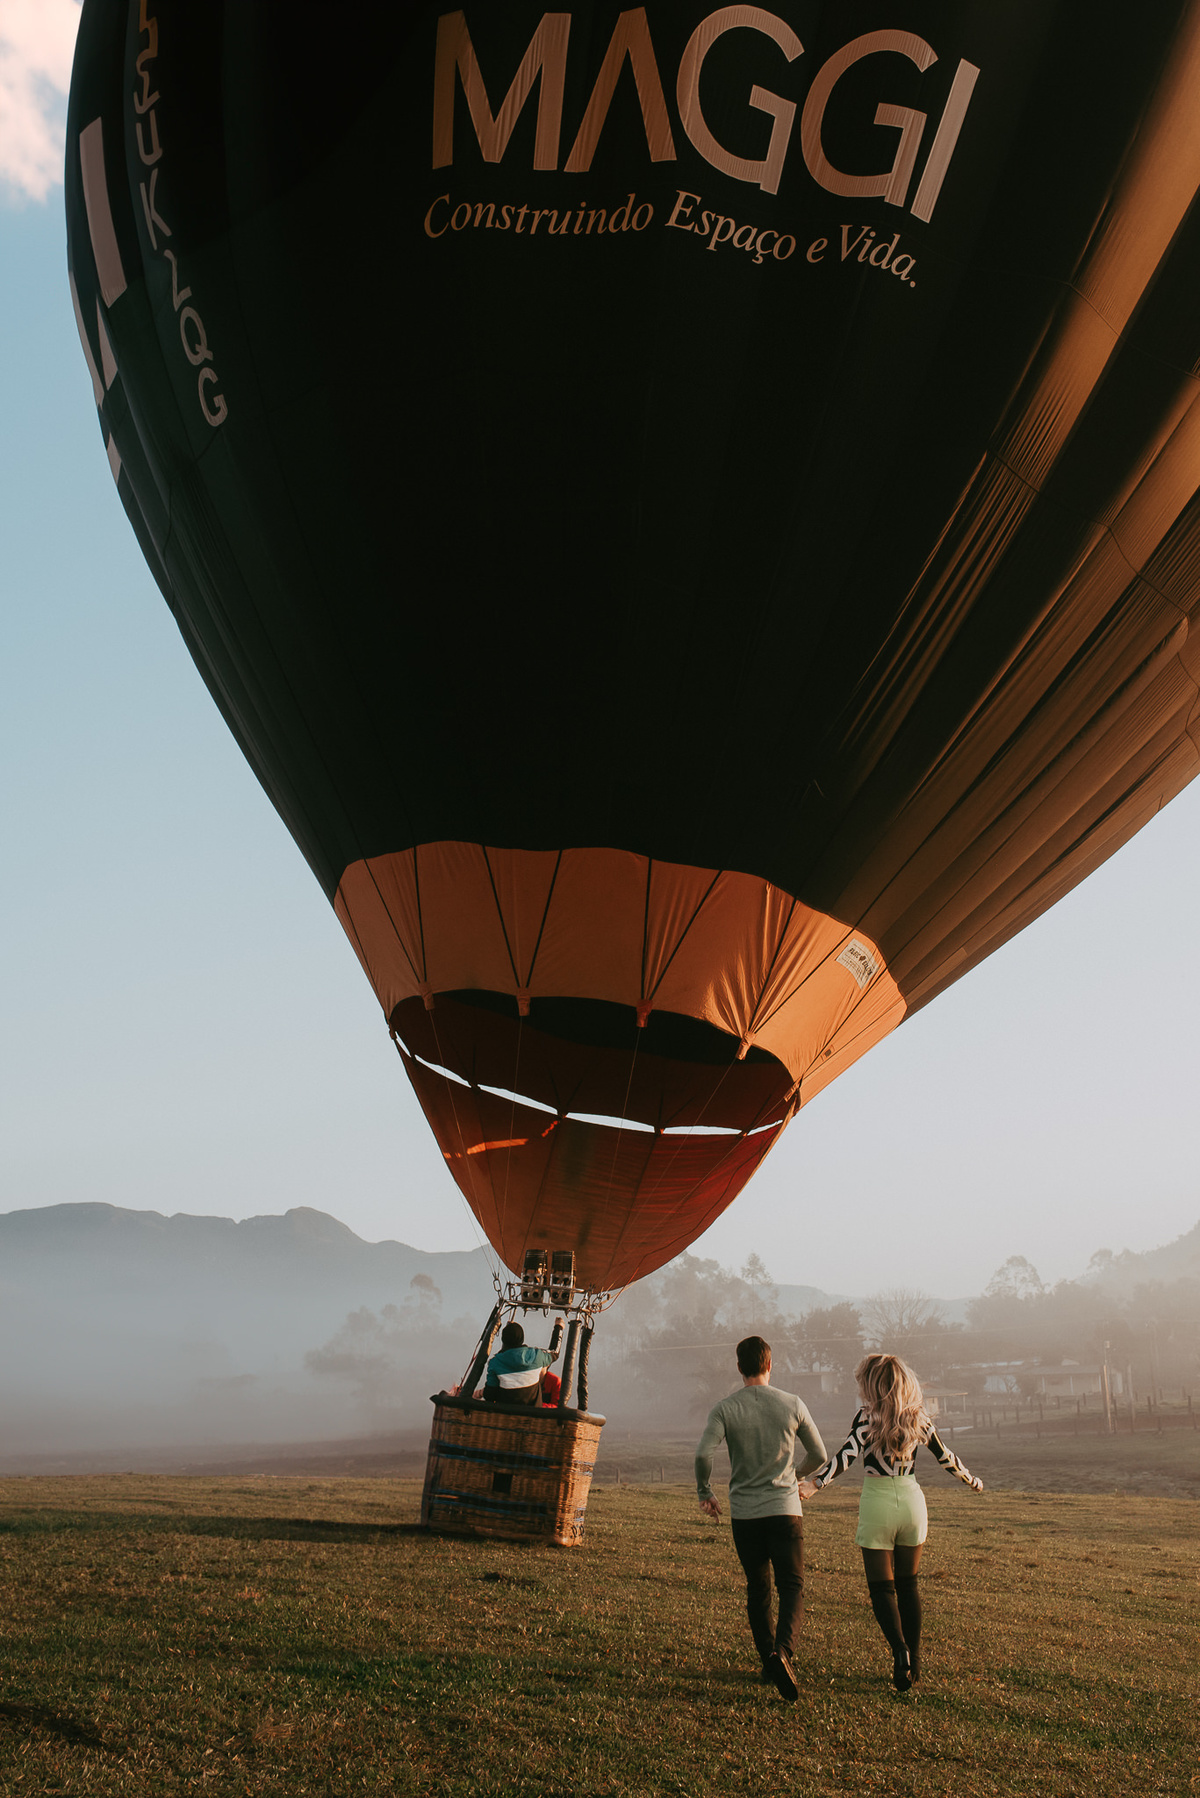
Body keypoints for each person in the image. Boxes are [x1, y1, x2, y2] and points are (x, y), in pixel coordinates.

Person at [797, 1352, 983, 1693]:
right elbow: (946, 1457)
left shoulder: (867, 1419)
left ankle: (899, 1651)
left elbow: (846, 1456)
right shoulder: (919, 1419)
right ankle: (916, 1662)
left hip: (878, 1503)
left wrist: (813, 1484)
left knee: (882, 1589)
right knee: (909, 1585)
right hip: (912, 1503)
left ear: (872, 1385)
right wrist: (971, 1479)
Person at [695, 1335, 827, 1703]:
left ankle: (769, 1661)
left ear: (740, 1368)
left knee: (758, 1588)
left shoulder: (725, 1409)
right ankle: (782, 1653)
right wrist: (794, 1476)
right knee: (792, 1586)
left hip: (746, 1516)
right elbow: (819, 1454)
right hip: (785, 1509)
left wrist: (705, 1490)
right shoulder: (792, 1403)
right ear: (770, 1364)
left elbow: (704, 1454)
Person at [484, 1319, 560, 1404]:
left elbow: (489, 1395)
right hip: (532, 1413)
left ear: (503, 1340)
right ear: (522, 1338)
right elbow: (555, 1353)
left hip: (505, 1413)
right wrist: (558, 1327)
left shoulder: (495, 1362)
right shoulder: (536, 1356)